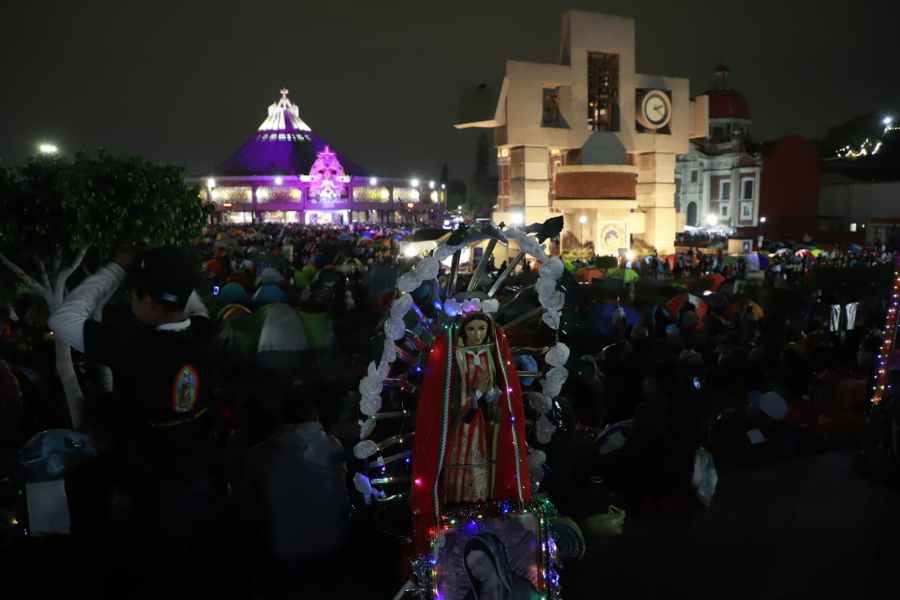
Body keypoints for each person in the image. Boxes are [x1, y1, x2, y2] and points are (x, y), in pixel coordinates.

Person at [48, 246, 220, 589]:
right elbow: (191, 302)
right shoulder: (205, 332)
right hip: (198, 470)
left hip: (144, 480)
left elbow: (63, 319)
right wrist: (171, 272)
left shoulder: (131, 344)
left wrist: (116, 267)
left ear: (149, 301)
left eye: (134, 294)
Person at [411, 310, 531, 552]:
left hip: (482, 427)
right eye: (471, 329)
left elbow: (497, 397)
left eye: (481, 329)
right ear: (463, 331)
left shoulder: (490, 354)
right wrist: (475, 393)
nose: (477, 335)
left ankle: (478, 520)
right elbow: (448, 398)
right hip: (459, 428)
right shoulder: (453, 357)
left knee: (482, 471)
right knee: (458, 469)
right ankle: (456, 521)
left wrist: (488, 393)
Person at [461, 532, 541, 600]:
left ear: (494, 557)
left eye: (480, 562)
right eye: (471, 568)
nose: (476, 571)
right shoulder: (471, 597)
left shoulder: (522, 589)